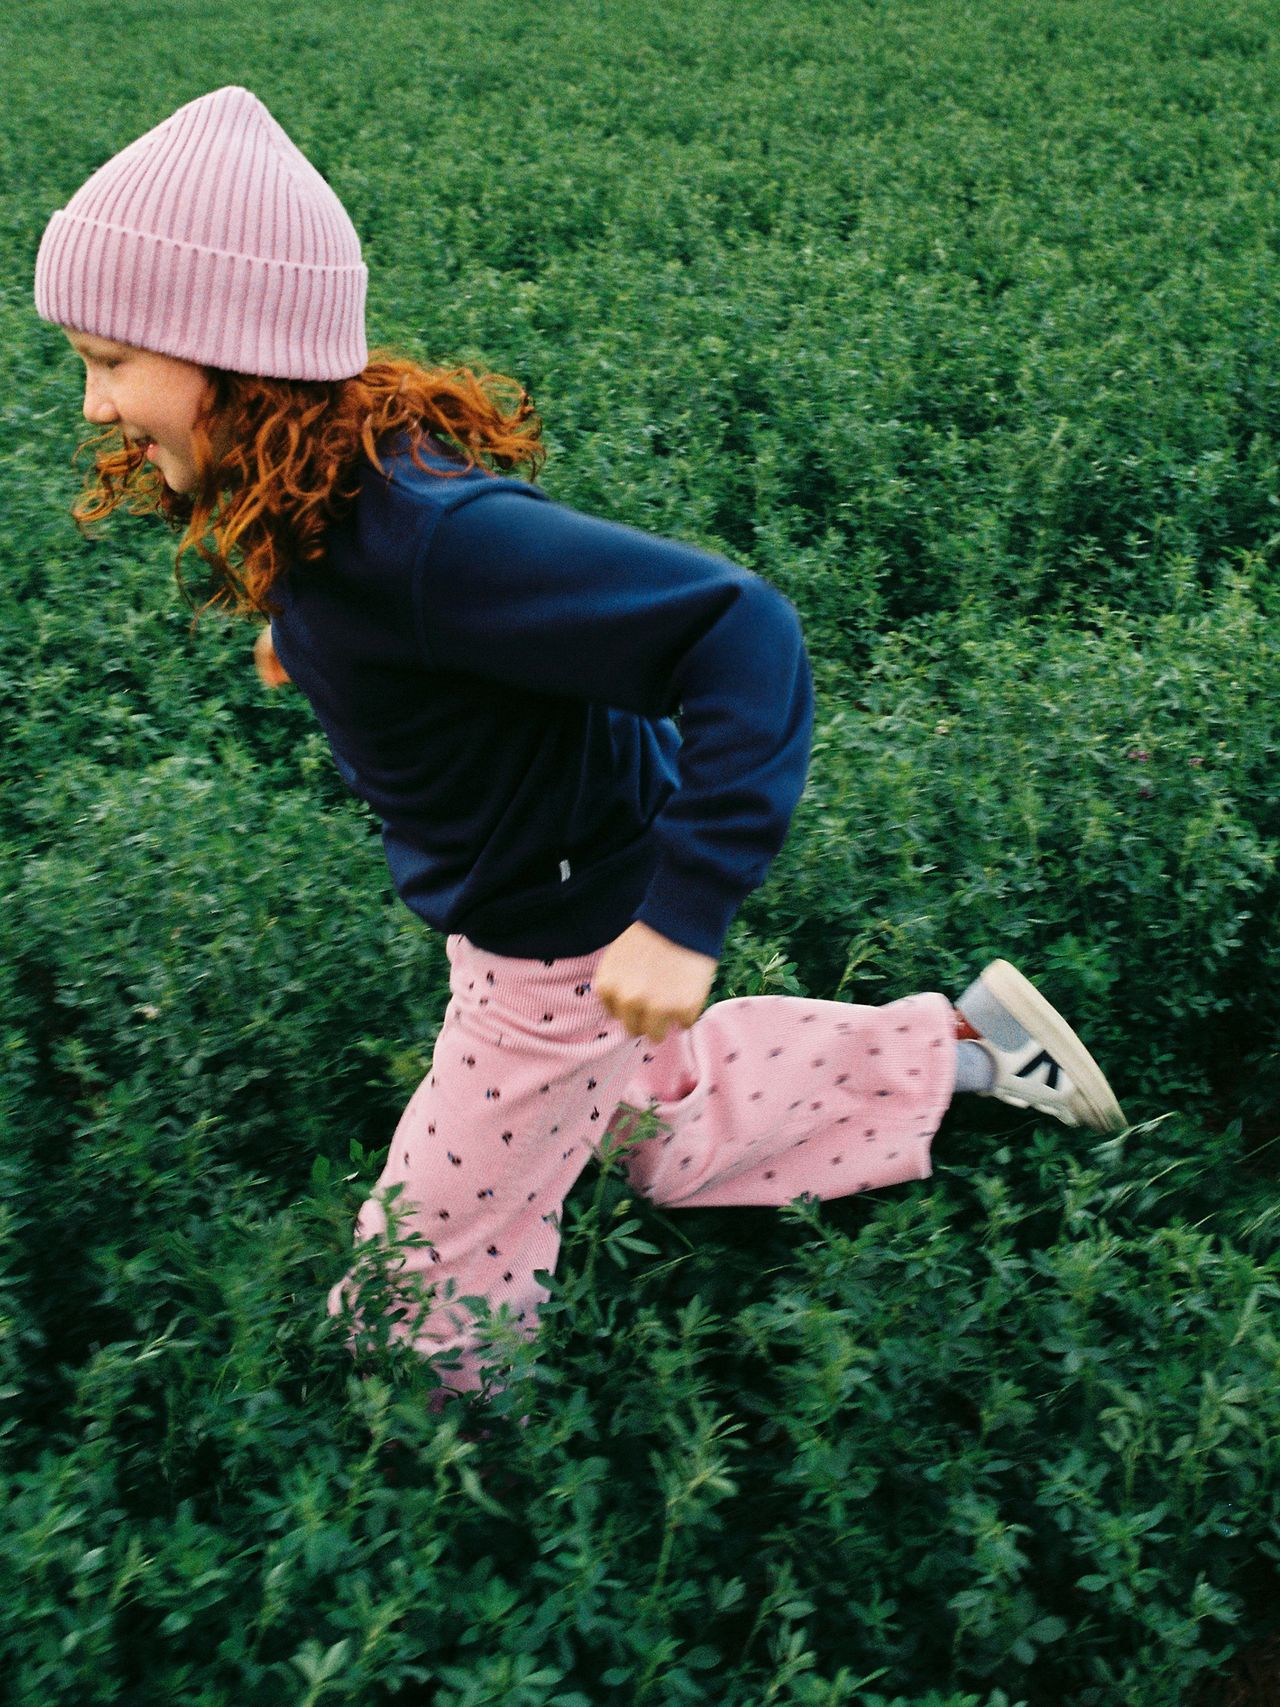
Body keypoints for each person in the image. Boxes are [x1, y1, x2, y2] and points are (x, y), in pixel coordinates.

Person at [34, 87, 1125, 1411]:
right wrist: (308, 637)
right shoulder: (335, 497)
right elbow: (379, 600)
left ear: (238, 356)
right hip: (552, 882)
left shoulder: (428, 540)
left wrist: (686, 913)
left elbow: (742, 632)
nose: (94, 404)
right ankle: (958, 1048)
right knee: (657, 1121)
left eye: (111, 361)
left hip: (556, 929)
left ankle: (419, 1452)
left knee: (433, 1257)